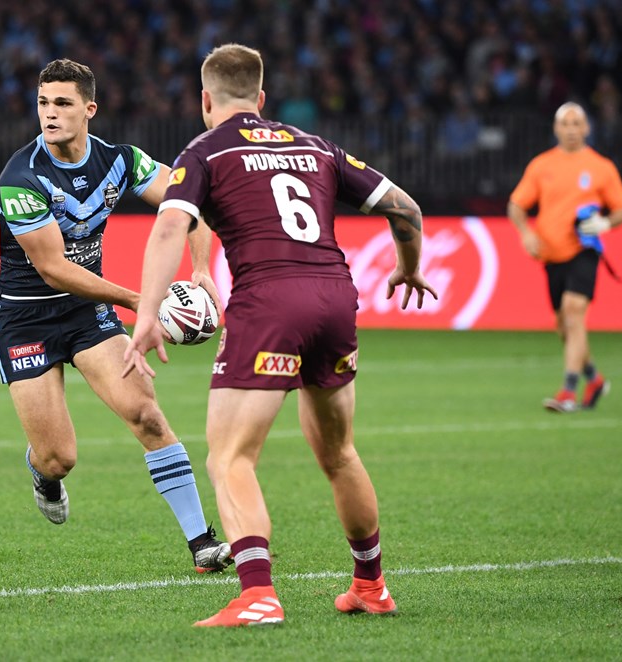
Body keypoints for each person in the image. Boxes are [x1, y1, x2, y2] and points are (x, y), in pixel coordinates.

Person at [124, 43, 438, 627]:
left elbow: (171, 225)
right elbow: (407, 209)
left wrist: (147, 311)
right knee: (339, 452)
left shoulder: (206, 150)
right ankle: (371, 585)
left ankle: (258, 596)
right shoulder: (316, 145)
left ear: (204, 99)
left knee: (230, 457)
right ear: (262, 99)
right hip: (335, 298)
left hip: (269, 301)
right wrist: (409, 264)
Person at [0, 59, 231, 573]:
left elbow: (187, 202)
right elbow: (54, 269)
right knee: (60, 457)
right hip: (26, 321)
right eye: (42, 103)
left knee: (145, 412)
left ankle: (202, 545)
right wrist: (140, 300)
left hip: (87, 315)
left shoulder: (120, 161)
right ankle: (42, 471)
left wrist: (203, 267)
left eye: (62, 103)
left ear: (89, 109)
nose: (49, 114)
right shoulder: (20, 178)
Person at [508, 102, 622, 413]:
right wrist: (526, 233)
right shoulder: (542, 165)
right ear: (556, 128)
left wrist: (605, 223)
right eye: (567, 123)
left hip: (584, 250)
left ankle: (568, 391)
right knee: (564, 324)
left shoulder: (601, 167)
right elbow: (516, 205)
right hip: (551, 254)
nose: (572, 129)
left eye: (578, 123)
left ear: (587, 128)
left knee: (574, 313)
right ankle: (595, 379)